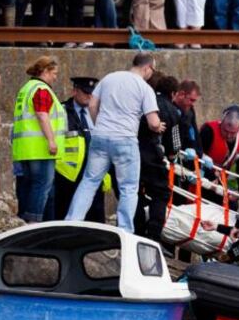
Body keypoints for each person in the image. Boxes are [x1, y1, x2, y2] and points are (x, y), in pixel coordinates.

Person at [66, 53, 165, 232]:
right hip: (125, 140)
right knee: (128, 188)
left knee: (89, 181)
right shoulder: (144, 87)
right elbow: (153, 121)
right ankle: (125, 230)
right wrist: (158, 127)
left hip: (101, 136)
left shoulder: (109, 78)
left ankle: (72, 221)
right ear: (147, 67)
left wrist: (99, 125)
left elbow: (92, 106)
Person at [12, 55, 66, 222]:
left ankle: (24, 220)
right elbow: (42, 115)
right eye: (54, 73)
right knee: (41, 186)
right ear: (44, 71)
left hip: (26, 149)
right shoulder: (41, 90)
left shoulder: (26, 88)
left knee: (30, 186)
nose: (55, 78)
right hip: (40, 148)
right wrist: (51, 140)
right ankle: (33, 222)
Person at [135, 73, 182, 241]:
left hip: (132, 153)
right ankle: (153, 236)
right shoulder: (173, 112)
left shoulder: (144, 101)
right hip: (152, 157)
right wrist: (173, 157)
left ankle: (136, 231)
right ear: (173, 94)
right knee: (161, 193)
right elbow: (174, 145)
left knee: (134, 193)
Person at [54, 76, 106, 223]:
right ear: (74, 91)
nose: (89, 96)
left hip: (94, 170)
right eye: (85, 92)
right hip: (68, 175)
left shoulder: (98, 112)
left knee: (95, 218)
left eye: (92, 93)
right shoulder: (61, 110)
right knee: (66, 213)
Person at [199, 104, 239, 176]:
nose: (229, 135)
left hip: (221, 180)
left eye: (233, 133)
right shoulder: (208, 130)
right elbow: (198, 151)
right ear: (222, 122)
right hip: (202, 174)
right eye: (226, 131)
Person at [173, 79, 201, 155]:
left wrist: (200, 153)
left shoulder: (190, 111)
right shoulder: (171, 109)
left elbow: (195, 133)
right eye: (191, 100)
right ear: (182, 94)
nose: (192, 104)